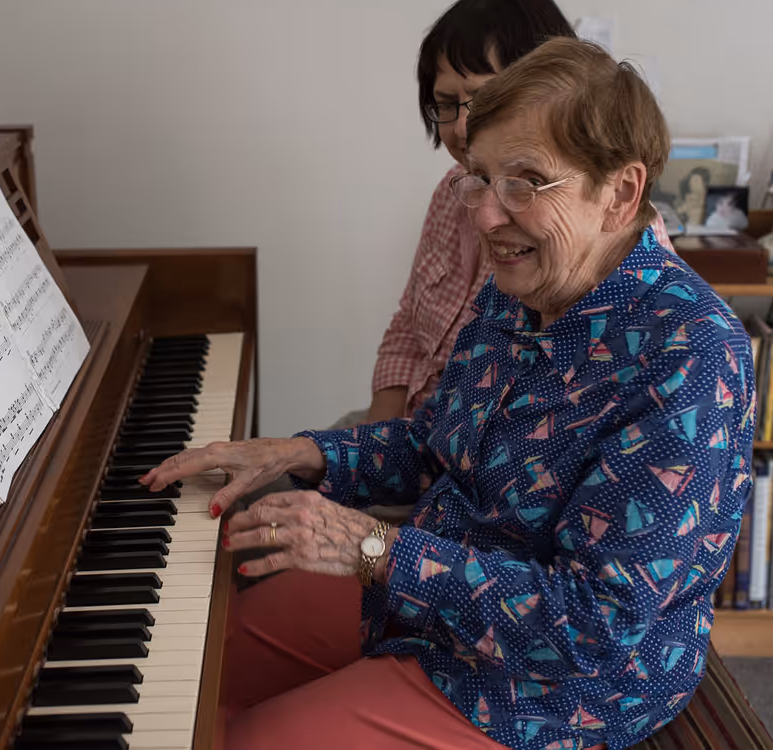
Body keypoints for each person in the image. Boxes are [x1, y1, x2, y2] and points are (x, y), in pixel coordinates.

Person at [141, 39, 753, 750]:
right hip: (436, 578)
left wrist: (371, 549)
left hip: (556, 686)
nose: (487, 216)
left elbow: (595, 626)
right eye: (479, 178)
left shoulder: (690, 353)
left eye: (525, 181)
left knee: (254, 739)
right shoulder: (518, 290)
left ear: (618, 193)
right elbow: (438, 448)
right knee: (207, 661)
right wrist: (301, 452)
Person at [368, 0, 674, 424]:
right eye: (446, 103)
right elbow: (408, 331)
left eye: (486, 100)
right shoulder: (454, 190)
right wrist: (370, 454)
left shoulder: (635, 276)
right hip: (416, 438)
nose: (462, 129)